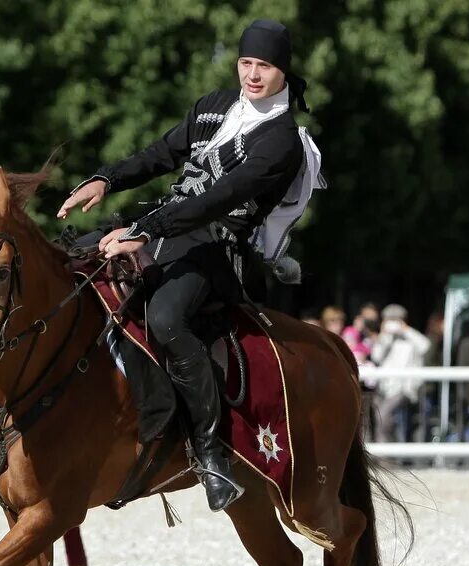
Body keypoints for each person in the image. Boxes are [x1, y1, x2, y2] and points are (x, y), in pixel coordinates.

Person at [58, 20, 321, 512]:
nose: (253, 74)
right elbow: (162, 154)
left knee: (164, 317)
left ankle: (208, 451)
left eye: (264, 66)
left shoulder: (281, 140)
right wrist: (105, 179)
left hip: (218, 247)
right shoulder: (213, 106)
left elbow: (217, 201)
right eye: (247, 63)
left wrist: (142, 232)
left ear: (283, 70)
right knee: (70, 261)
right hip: (165, 224)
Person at [369, 304, 430, 442]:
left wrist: (405, 330)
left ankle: (386, 453)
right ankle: (385, 453)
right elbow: (376, 356)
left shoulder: (411, 338)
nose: (392, 323)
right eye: (389, 319)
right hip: (384, 387)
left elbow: (425, 346)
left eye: (396, 320)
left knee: (383, 415)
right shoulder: (385, 339)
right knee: (381, 419)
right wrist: (384, 335)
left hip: (403, 388)